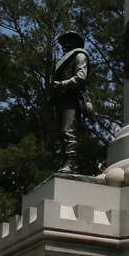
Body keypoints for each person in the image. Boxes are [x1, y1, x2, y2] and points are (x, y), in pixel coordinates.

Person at [51, 29, 90, 174]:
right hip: (60, 99)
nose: (64, 44)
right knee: (62, 133)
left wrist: (62, 85)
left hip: (71, 98)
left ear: (75, 42)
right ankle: (70, 163)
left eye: (68, 40)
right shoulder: (64, 60)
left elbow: (81, 77)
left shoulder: (79, 56)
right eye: (63, 41)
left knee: (68, 131)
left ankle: (71, 163)